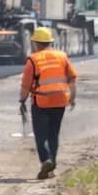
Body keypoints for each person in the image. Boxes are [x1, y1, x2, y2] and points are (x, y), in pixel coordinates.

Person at [18, 26, 78, 179]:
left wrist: (22, 100)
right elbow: (72, 78)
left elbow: (26, 85)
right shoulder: (62, 56)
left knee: (41, 135)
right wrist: (72, 97)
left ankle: (46, 160)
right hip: (60, 101)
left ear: (36, 43)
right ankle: (51, 169)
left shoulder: (33, 59)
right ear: (50, 42)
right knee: (53, 133)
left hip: (41, 102)